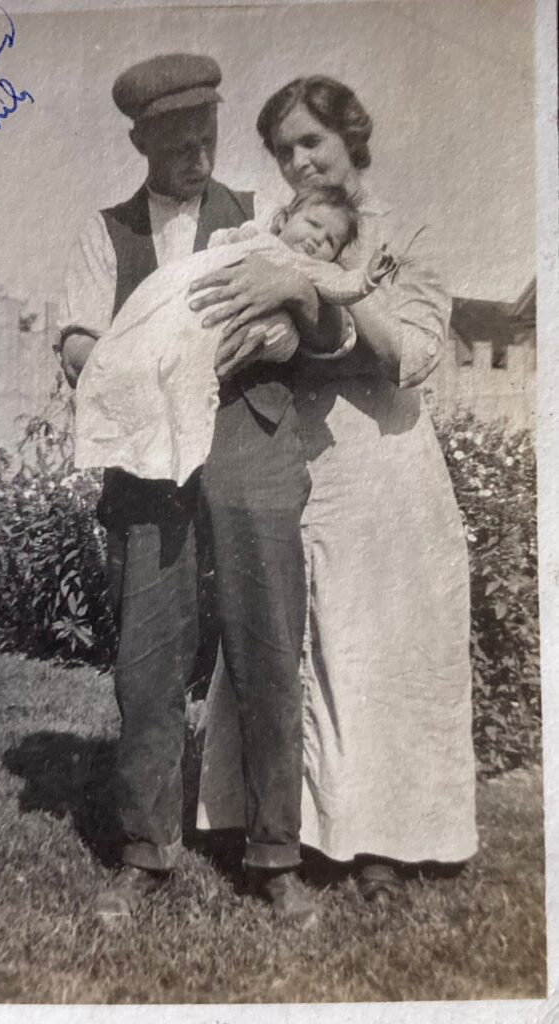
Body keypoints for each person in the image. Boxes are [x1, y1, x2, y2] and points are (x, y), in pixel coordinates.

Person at [57, 56, 354, 925]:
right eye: (177, 139)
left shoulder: (263, 218)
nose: (196, 152)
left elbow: (323, 323)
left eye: (208, 136)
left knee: (267, 646)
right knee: (147, 661)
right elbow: (77, 347)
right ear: (140, 139)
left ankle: (275, 855)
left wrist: (284, 315)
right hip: (150, 458)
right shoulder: (103, 234)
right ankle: (145, 854)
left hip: (249, 440)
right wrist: (131, 367)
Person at [194, 75, 478, 900]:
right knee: (304, 632)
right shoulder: (273, 231)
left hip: (384, 455)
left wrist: (309, 291)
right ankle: (293, 827)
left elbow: (414, 354)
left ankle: (386, 841)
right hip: (300, 452)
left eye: (310, 141)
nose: (297, 164)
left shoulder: (406, 230)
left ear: (351, 135)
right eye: (282, 150)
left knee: (381, 647)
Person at [75, 184, 394, 486]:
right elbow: (219, 245)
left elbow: (341, 288)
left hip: (263, 340)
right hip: (213, 306)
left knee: (252, 343)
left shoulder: (308, 268)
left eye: (329, 242)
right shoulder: (256, 234)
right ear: (283, 219)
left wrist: (366, 278)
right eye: (312, 224)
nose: (316, 241)